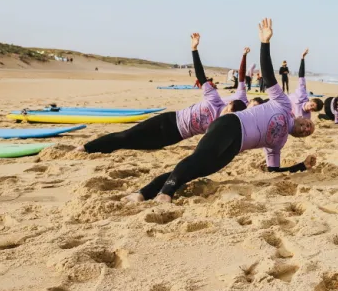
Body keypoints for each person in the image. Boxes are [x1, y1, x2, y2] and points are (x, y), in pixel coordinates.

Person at [126, 18, 317, 203]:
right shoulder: (284, 104)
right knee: (198, 158)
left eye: (308, 132)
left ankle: (142, 193)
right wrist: (265, 43)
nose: (307, 128)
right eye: (309, 124)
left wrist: (301, 166)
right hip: (231, 125)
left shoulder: (279, 144)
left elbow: (274, 171)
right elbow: (267, 76)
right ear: (301, 117)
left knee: (195, 170)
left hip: (234, 148)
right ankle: (165, 194)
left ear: (300, 137)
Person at [77, 35, 247, 155]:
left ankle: (105, 149)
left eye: (230, 114)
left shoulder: (222, 126)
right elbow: (201, 75)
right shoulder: (214, 99)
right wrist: (194, 49)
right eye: (228, 109)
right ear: (228, 104)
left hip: (174, 136)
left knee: (135, 144)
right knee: (127, 135)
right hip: (169, 121)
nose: (226, 113)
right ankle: (87, 148)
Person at [288, 48, 324, 118]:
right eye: (312, 105)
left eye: (313, 109)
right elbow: (301, 76)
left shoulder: (307, 116)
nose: (311, 108)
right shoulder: (302, 94)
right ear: (311, 100)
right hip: (280, 103)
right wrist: (302, 58)